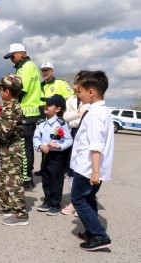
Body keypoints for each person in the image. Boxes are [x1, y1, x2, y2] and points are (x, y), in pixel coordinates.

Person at [70, 70, 113, 251]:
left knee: (78, 198)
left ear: (91, 91)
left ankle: (99, 235)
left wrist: (95, 172)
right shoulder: (100, 110)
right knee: (89, 198)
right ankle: (91, 230)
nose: (77, 95)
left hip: (87, 168)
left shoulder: (95, 114)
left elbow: (96, 145)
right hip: (91, 167)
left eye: (79, 91)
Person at [0, 74, 28, 226]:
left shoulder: (12, 109)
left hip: (12, 151)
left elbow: (4, 131)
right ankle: (5, 206)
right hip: (5, 149)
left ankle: (21, 215)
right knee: (4, 179)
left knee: (13, 182)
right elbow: (4, 130)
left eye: (0, 89)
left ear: (7, 92)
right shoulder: (8, 107)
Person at [4, 43, 42, 188]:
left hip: (27, 111)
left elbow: (21, 89)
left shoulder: (26, 67)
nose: (11, 59)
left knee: (24, 147)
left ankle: (26, 178)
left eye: (12, 56)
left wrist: (9, 102)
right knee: (25, 146)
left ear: (21, 53)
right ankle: (26, 176)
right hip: (29, 111)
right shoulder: (28, 66)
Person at [33, 94, 73, 216]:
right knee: (46, 178)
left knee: (56, 180)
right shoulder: (41, 123)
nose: (46, 106)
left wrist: (58, 146)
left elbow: (69, 140)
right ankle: (47, 201)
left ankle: (55, 204)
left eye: (49, 105)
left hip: (57, 157)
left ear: (57, 109)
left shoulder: (61, 124)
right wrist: (40, 146)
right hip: (45, 155)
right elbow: (36, 137)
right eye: (46, 104)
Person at [34, 62, 74, 177]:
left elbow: (70, 98)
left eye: (47, 70)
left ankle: (61, 167)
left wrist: (63, 114)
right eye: (43, 70)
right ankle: (44, 168)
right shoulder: (40, 85)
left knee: (58, 142)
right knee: (44, 142)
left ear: (53, 71)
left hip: (57, 118)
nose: (44, 72)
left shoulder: (60, 83)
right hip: (44, 117)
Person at [61, 71, 90, 216]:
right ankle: (74, 202)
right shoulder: (71, 99)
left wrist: (75, 119)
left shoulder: (91, 100)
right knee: (71, 168)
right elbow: (65, 117)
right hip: (72, 134)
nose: (75, 86)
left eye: (77, 83)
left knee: (84, 168)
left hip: (86, 135)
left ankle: (83, 203)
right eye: (74, 83)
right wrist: (77, 116)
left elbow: (85, 119)